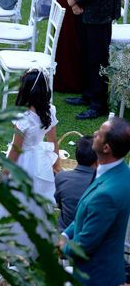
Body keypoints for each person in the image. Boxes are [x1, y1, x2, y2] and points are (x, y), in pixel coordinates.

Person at [0, 69, 60, 257]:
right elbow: (53, 141)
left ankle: (16, 246)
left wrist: (3, 176)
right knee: (36, 202)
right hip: (40, 160)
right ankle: (36, 243)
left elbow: (15, 152)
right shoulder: (50, 110)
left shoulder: (22, 119)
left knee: (18, 202)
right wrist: (56, 164)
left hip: (24, 162)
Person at [59, 117, 130, 286]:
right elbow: (86, 215)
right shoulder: (122, 172)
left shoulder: (107, 195)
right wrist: (65, 234)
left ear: (106, 148)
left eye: (100, 134)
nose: (95, 133)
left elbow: (85, 245)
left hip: (95, 276)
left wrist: (60, 248)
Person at [54, 135, 97, 231]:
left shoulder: (61, 177)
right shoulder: (103, 183)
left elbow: (59, 203)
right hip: (91, 234)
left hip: (64, 232)